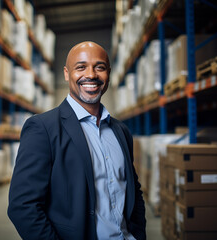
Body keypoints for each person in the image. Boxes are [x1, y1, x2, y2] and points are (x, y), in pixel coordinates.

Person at [8, 41, 146, 240]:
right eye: (81, 67)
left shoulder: (121, 131)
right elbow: (22, 207)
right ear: (66, 74)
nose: (91, 75)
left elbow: (133, 190)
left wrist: (139, 234)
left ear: (108, 73)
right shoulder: (43, 128)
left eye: (99, 67)